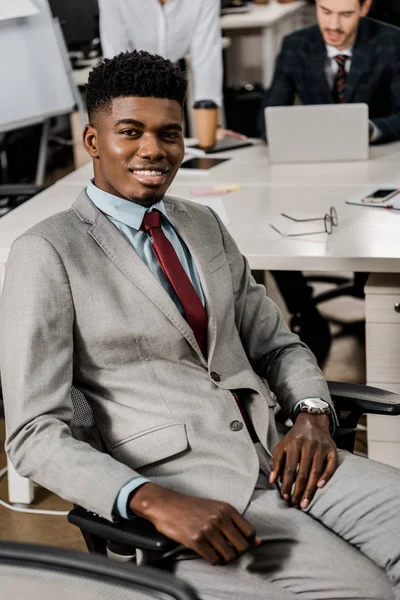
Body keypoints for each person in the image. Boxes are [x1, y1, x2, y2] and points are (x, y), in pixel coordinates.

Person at [1, 50, 399, 600]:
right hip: (189, 492)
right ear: (94, 142)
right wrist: (149, 498)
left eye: (169, 134)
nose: (153, 150)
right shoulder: (47, 251)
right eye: (131, 132)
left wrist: (311, 413)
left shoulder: (202, 222)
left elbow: (278, 344)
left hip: (286, 454)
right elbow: (33, 434)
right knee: (368, 591)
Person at [260, 0, 400, 365]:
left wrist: (366, 129)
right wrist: (291, 130)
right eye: (325, 10)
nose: (333, 24)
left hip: (377, 166)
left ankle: (384, 315)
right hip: (314, 168)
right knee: (268, 226)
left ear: (366, 7)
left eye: (345, 14)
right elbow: (268, 116)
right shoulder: (296, 44)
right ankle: (305, 310)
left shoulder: (391, 41)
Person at [97, 0, 242, 141]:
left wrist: (212, 129)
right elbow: (118, 65)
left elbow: (206, 57)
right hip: (133, 77)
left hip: (176, 65)